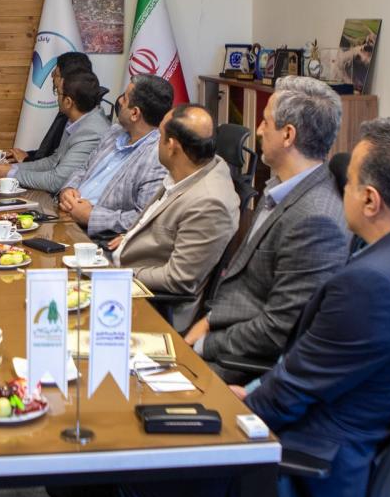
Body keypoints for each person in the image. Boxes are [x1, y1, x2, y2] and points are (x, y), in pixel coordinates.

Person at [115, 118, 390, 497]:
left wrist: (234, 404)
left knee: (138, 479)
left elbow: (291, 396)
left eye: (349, 183)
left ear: (371, 201)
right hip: (356, 455)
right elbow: (314, 374)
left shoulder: (372, 286)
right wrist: (252, 390)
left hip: (304, 471)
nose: (340, 191)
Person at [184, 76, 350, 384]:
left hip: (237, 365)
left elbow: (278, 329)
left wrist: (204, 343)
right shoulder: (281, 187)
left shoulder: (316, 220)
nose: (258, 131)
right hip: (218, 327)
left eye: (265, 122)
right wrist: (208, 322)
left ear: (288, 135)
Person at [108, 104, 239, 326]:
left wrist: (114, 274)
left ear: (172, 146)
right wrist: (131, 237)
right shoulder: (190, 171)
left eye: (160, 135)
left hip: (149, 307)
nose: (156, 143)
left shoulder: (209, 203)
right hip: (127, 277)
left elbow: (178, 279)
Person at [57, 74, 173, 240]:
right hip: (64, 216)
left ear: (135, 113)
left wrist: (91, 216)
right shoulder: (115, 131)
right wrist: (68, 190)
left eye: (124, 98)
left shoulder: (157, 158)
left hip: (93, 238)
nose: (119, 101)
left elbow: (145, 217)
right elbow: (84, 168)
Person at [0, 69, 108, 195]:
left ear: (68, 102)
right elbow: (53, 161)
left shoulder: (91, 132)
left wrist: (11, 174)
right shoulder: (77, 120)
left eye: (58, 93)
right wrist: (12, 168)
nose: (57, 97)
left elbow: (56, 182)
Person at [6, 51, 94, 163]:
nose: (52, 76)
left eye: (56, 74)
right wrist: (27, 155)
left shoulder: (83, 122)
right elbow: (51, 153)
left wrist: (26, 161)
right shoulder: (68, 110)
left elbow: (58, 166)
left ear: (68, 80)